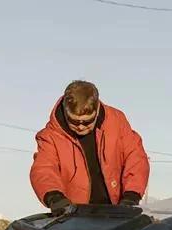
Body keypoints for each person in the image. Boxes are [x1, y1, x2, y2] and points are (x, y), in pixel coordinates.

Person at [30, 80, 149, 214]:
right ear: (65, 110)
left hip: (117, 209)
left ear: (97, 109)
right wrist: (54, 197)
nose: (81, 127)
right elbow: (43, 169)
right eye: (74, 121)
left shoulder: (117, 121)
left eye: (87, 122)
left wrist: (131, 195)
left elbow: (135, 157)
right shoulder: (50, 136)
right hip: (74, 214)